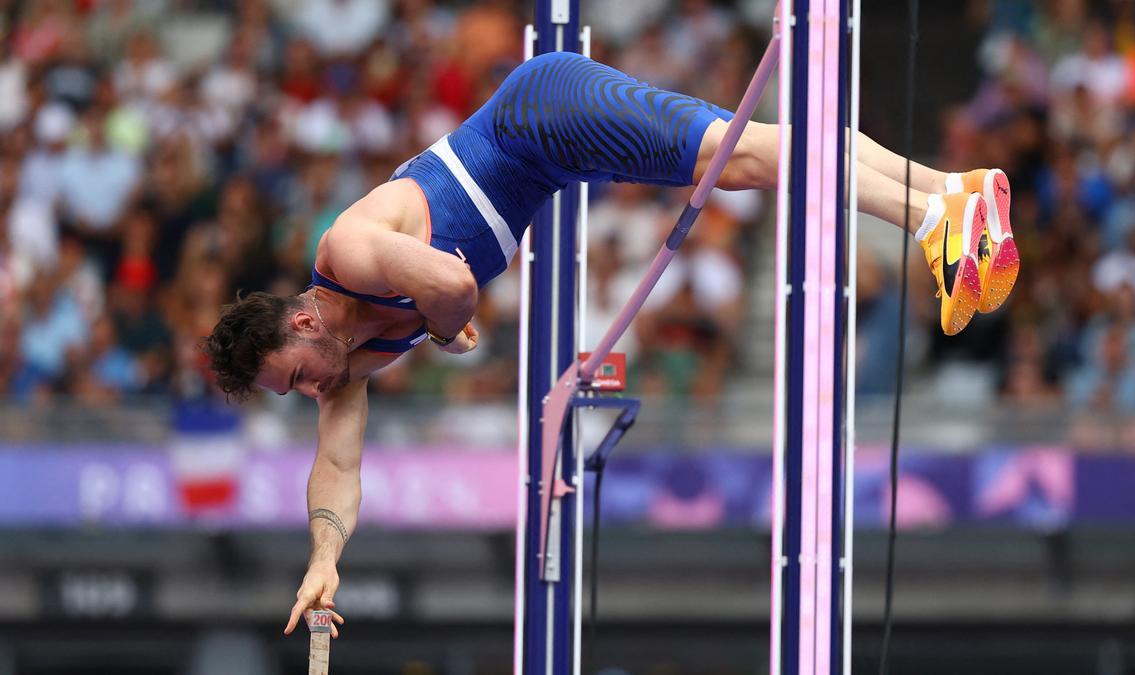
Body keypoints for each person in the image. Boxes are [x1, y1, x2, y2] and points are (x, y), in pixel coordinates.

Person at [200, 51, 1019, 637]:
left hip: (538, 112)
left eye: (298, 376)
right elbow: (337, 466)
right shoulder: (348, 362)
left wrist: (449, 332)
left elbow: (451, 289)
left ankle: (935, 217)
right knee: (745, 157)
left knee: (734, 160)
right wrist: (324, 555)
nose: (311, 391)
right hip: (550, 157)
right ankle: (952, 193)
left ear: (303, 322)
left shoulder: (348, 252)